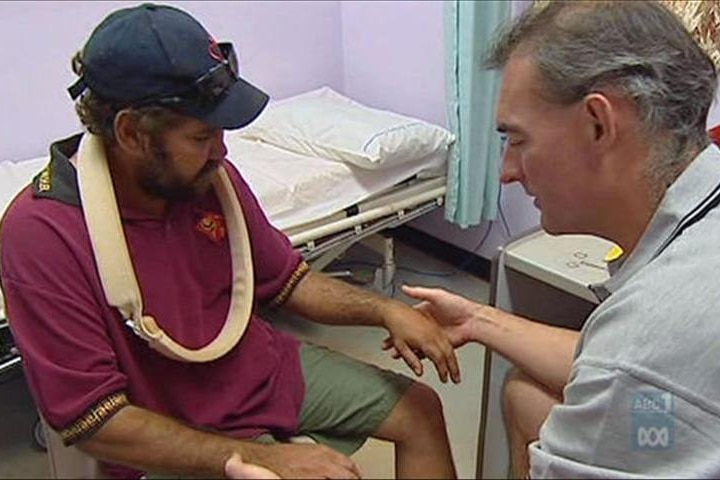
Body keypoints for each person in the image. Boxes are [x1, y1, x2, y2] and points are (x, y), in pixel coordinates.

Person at [0, 3, 459, 479]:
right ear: (132, 133)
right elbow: (93, 420)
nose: (221, 150)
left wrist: (386, 310)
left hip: (252, 371)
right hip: (161, 415)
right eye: (201, 136)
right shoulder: (41, 234)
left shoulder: (208, 180)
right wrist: (265, 456)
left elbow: (286, 280)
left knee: (419, 410)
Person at [399, 1, 720, 478]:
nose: (507, 172)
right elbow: (610, 366)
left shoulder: (648, 342)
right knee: (523, 395)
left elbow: (630, 369)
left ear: (598, 124)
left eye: (518, 139)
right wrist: (480, 319)